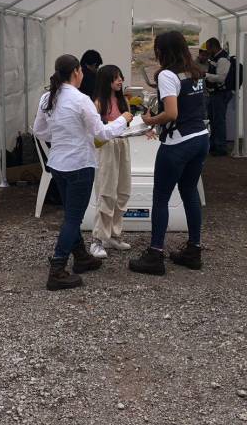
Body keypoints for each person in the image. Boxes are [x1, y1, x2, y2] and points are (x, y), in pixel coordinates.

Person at [33, 54, 132, 291]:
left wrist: (60, 139)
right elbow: (102, 134)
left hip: (58, 164)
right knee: (73, 218)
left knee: (70, 212)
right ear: (77, 72)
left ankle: (81, 257)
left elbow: (39, 130)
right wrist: (124, 120)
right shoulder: (81, 100)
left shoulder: (48, 97)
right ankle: (57, 268)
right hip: (79, 165)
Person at [130, 31, 208, 275]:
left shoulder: (167, 74)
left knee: (161, 196)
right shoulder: (195, 71)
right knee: (189, 192)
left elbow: (172, 113)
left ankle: (155, 254)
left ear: (161, 51)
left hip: (178, 142)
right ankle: (193, 249)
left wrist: (151, 119)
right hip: (200, 137)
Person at [89, 65, 133, 258]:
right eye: (115, 78)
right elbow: (96, 132)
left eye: (120, 77)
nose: (120, 81)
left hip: (123, 145)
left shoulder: (124, 101)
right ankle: (98, 239)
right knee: (106, 192)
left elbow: (130, 124)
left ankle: (114, 235)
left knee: (123, 191)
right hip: (106, 148)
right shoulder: (98, 103)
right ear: (106, 81)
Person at [203, 37, 232, 157]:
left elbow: (221, 78)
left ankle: (221, 147)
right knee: (213, 120)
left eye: (208, 48)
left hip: (221, 93)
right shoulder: (215, 58)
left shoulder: (223, 59)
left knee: (219, 121)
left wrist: (205, 75)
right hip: (214, 93)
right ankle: (214, 145)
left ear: (213, 47)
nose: (207, 51)